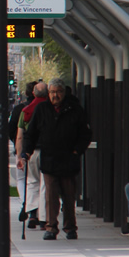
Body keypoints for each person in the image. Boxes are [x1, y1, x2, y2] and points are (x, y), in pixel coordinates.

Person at [23, 78, 92, 240]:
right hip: (49, 159)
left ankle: (70, 227)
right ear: (48, 93)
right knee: (50, 196)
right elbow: (31, 133)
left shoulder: (74, 109)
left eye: (58, 92)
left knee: (68, 196)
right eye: (52, 92)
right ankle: (51, 226)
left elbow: (85, 133)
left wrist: (77, 151)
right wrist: (26, 151)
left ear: (64, 93)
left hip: (68, 159)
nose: (55, 95)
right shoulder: (42, 109)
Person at [16, 82, 48, 229]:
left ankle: (32, 214)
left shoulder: (26, 111)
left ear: (33, 94)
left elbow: (20, 136)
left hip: (32, 152)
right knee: (44, 184)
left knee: (32, 182)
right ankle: (43, 217)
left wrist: (20, 155)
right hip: (47, 151)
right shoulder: (50, 109)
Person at [8, 81, 35, 200]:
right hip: (39, 149)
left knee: (21, 178)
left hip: (22, 148)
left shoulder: (20, 109)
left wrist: (16, 144)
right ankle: (35, 206)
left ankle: (25, 202)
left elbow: (12, 129)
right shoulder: (46, 107)